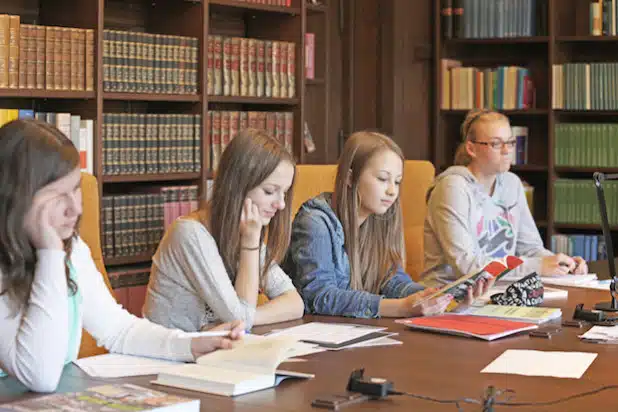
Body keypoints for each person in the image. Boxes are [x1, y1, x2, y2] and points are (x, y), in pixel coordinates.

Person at [0, 119, 244, 393]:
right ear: (17, 199)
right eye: (57, 196)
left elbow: (118, 330)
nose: (76, 208)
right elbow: (40, 376)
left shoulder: (71, 249)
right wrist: (50, 253)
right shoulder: (50, 252)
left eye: (76, 189)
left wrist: (189, 344)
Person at [284, 131, 491, 319]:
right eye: (383, 179)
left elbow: (392, 281)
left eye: (397, 181)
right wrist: (400, 307)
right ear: (349, 177)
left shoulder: (379, 217)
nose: (392, 191)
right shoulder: (315, 221)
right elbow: (319, 296)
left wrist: (440, 297)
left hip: (353, 332)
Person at [143, 128, 304, 332]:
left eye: (285, 193)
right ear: (237, 186)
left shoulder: (242, 231)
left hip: (206, 354)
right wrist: (250, 244)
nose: (280, 204)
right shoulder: (189, 234)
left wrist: (230, 324)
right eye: (270, 191)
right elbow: (240, 317)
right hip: (168, 359)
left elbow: (294, 302)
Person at [423, 109, 588, 286]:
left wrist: (562, 263)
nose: (506, 151)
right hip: (448, 295)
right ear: (471, 148)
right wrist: (538, 266)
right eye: (496, 144)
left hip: (498, 291)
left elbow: (530, 249)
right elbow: (467, 267)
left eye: (510, 142)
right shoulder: (452, 188)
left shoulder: (512, 184)